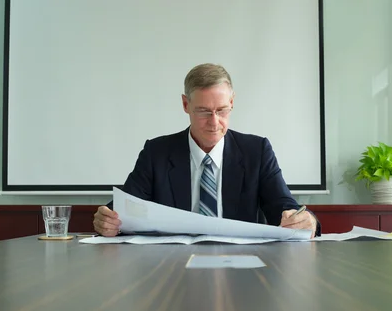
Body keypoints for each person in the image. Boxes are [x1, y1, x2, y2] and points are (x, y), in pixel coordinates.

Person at [93, 63, 320, 238]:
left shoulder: (257, 151)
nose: (214, 122)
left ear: (232, 102)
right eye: (203, 111)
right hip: (171, 265)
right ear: (185, 105)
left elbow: (285, 208)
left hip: (241, 268)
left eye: (222, 110)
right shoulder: (157, 153)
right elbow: (123, 209)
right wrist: (108, 220)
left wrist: (306, 221)